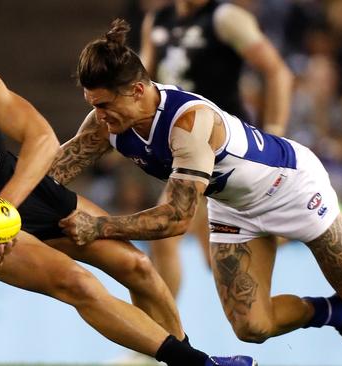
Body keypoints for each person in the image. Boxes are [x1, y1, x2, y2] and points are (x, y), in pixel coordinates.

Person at [0, 14, 256, 366]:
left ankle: (181, 362)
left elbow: (42, 139)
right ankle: (199, 363)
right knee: (77, 284)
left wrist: (5, 205)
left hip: (24, 194)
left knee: (139, 268)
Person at [54, 19, 342, 366]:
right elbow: (59, 167)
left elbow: (176, 218)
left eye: (105, 105)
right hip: (233, 206)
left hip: (291, 188)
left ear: (138, 90)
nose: (101, 116)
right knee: (252, 327)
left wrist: (100, 226)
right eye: (94, 105)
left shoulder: (190, 124)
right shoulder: (106, 122)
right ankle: (337, 314)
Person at [140, 0, 293, 298]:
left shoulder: (224, 18)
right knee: (215, 259)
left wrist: (275, 134)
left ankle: (159, 337)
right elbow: (143, 83)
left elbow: (278, 72)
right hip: (187, 151)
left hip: (226, 149)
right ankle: (313, 217)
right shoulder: (157, 20)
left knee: (164, 232)